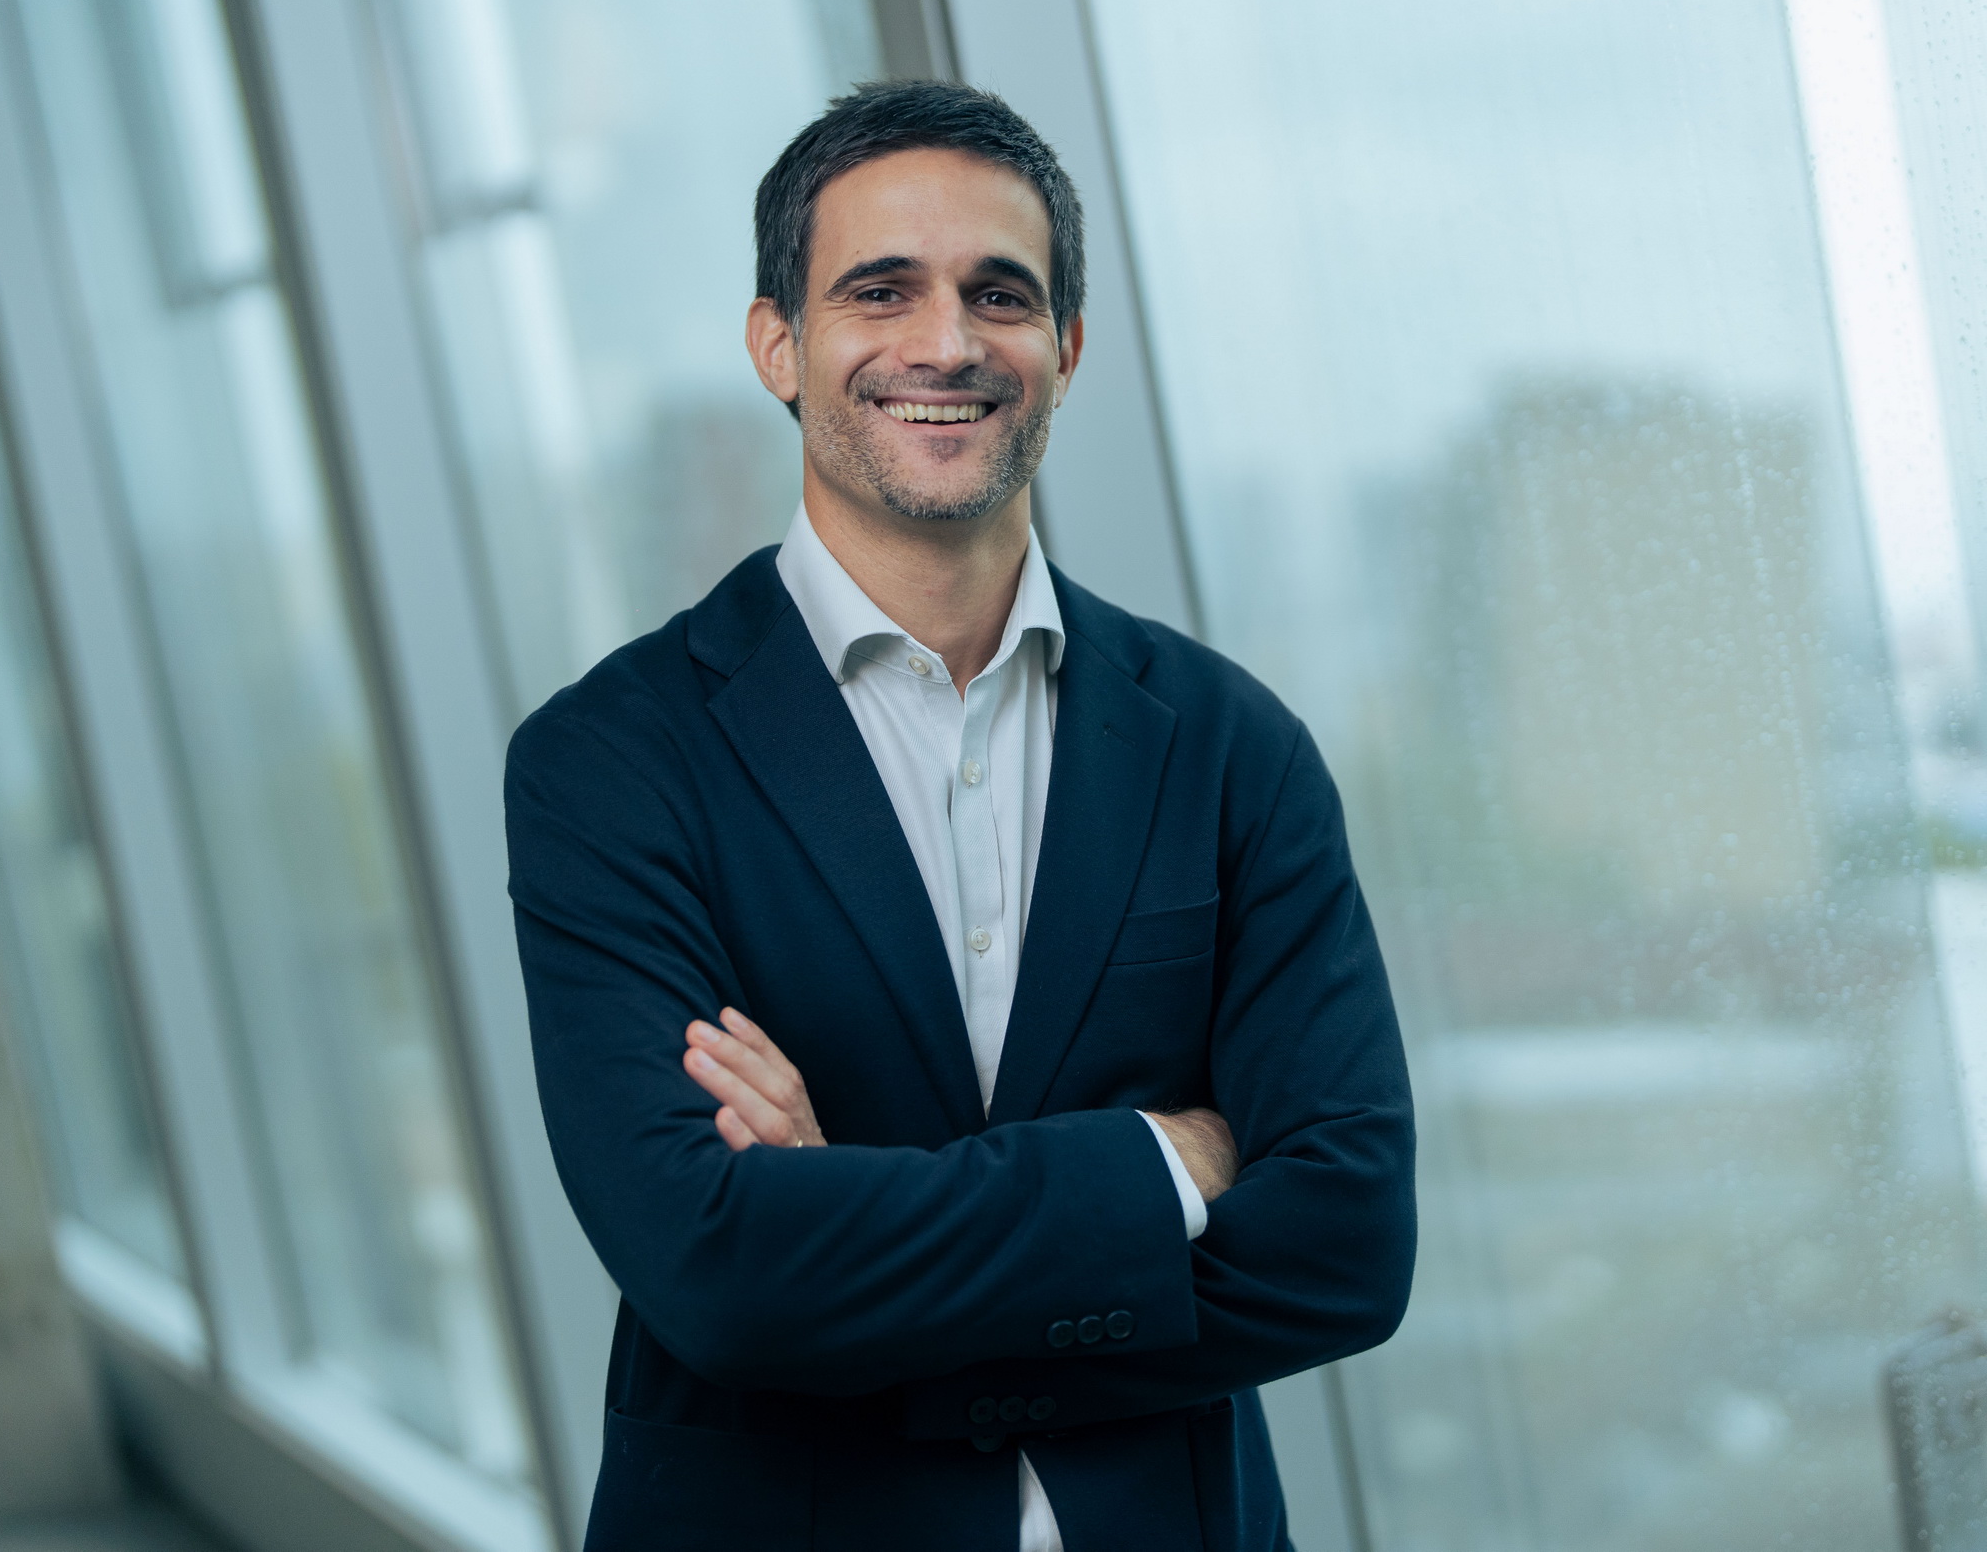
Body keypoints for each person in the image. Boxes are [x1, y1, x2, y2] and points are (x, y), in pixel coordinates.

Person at [506, 80, 1415, 1551]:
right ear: (778, 345)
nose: (946, 343)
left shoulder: (1232, 747)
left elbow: (1348, 1245)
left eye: (1000, 294)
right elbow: (716, 1271)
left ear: (1066, 347)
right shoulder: (611, 762)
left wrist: (851, 1241)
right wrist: (1161, 1163)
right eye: (880, 291)